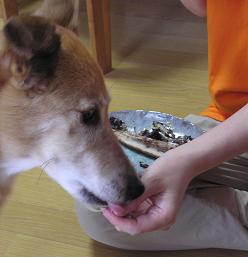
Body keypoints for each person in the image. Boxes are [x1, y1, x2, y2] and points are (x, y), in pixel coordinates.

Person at [75, 0, 248, 250]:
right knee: (101, 205)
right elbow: (200, 6)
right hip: (228, 119)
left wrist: (185, 161)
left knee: (122, 208)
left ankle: (231, 207)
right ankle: (233, 204)